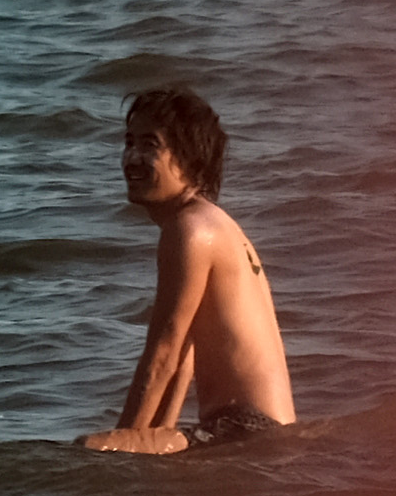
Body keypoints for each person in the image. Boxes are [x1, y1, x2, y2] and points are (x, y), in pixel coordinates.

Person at [80, 85, 299, 453]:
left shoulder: (191, 230)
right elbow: (183, 353)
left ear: (190, 159)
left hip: (247, 427)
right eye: (129, 142)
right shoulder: (213, 224)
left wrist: (120, 451)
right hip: (253, 428)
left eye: (150, 145)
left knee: (93, 447)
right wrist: (148, 439)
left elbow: (163, 351)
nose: (132, 157)